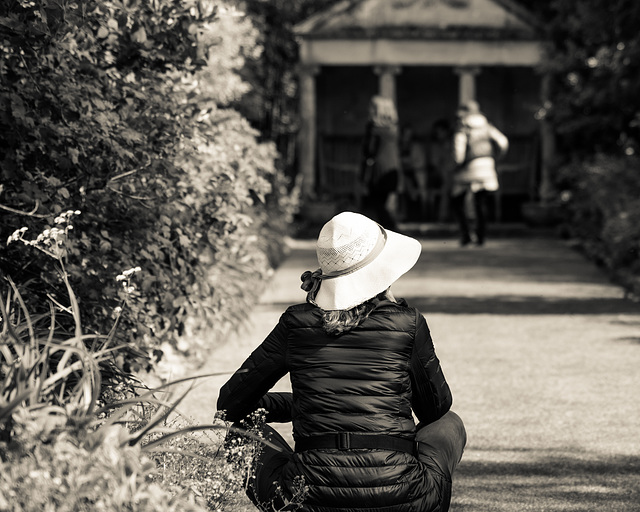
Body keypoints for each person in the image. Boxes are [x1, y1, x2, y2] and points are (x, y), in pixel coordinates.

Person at [217, 211, 467, 512]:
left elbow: (230, 404)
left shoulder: (296, 323)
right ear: (384, 271)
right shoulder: (408, 324)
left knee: (240, 430)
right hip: (405, 502)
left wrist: (298, 405)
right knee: (448, 424)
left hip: (306, 502)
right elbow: (434, 409)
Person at [451, 100, 508, 246]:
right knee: (480, 203)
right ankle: (481, 237)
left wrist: (457, 165)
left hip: (470, 167)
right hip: (487, 165)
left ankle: (466, 235)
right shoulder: (487, 126)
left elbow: (459, 152)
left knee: (457, 201)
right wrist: (496, 158)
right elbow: (503, 142)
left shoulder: (463, 127)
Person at [360, 95, 402, 229]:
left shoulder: (374, 129)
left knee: (377, 206)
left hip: (378, 171)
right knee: (384, 206)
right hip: (393, 169)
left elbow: (369, 151)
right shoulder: (393, 128)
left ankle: (392, 232)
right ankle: (391, 232)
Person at [427, 119, 456, 222]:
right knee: (444, 189)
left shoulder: (453, 143)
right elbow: (435, 164)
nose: (438, 134)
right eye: (437, 132)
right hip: (442, 176)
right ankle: (441, 217)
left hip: (454, 176)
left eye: (440, 131)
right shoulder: (436, 145)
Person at [399, 123, 428, 221]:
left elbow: (420, 162)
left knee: (417, 193)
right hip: (404, 175)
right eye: (405, 134)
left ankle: (421, 216)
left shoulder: (416, 146)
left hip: (416, 174)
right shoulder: (399, 146)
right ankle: (406, 216)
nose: (407, 137)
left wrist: (409, 164)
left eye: (409, 134)